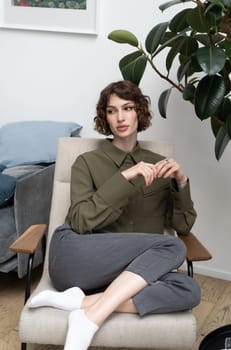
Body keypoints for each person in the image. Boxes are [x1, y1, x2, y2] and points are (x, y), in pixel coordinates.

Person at [29, 80, 200, 350]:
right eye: (111, 111)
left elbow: (183, 224)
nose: (120, 117)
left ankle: (82, 306)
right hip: (80, 257)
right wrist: (126, 177)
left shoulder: (160, 164)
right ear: (104, 117)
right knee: (172, 246)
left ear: (139, 112)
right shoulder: (87, 162)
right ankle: (90, 318)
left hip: (134, 272)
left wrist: (181, 181)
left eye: (127, 108)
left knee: (189, 290)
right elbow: (81, 220)